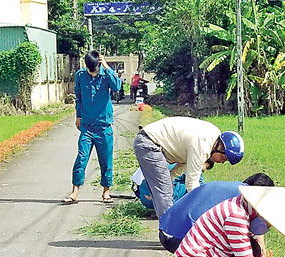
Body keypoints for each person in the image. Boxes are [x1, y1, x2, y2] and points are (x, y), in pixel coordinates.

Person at [133, 117, 244, 219]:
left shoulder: (212, 137)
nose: (222, 162)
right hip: (149, 144)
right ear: (220, 147)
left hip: (149, 142)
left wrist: (169, 179)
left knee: (166, 189)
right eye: (224, 158)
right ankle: (168, 232)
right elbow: (192, 184)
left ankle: (169, 226)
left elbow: (182, 165)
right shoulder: (204, 144)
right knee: (165, 192)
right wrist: (204, 211)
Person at [158, 172, 275, 253]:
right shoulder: (242, 199)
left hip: (166, 232)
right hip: (180, 241)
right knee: (234, 246)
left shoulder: (229, 188)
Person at [64, 50, 121, 206]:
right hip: (87, 126)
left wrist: (106, 66)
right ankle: (75, 192)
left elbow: (116, 87)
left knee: (106, 160)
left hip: (104, 126)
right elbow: (79, 97)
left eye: (95, 70)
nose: (93, 73)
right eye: (91, 70)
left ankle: (106, 191)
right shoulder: (81, 75)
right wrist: (78, 116)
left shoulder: (105, 75)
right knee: (81, 158)